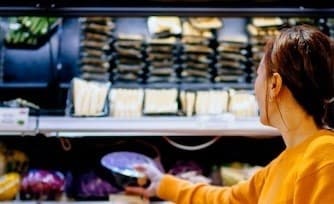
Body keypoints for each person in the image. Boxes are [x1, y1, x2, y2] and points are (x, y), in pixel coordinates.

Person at [126, 25, 334, 203]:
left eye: (258, 74)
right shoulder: (284, 164)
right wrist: (162, 184)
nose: (255, 87)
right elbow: (229, 199)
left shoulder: (326, 161)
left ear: (274, 84)